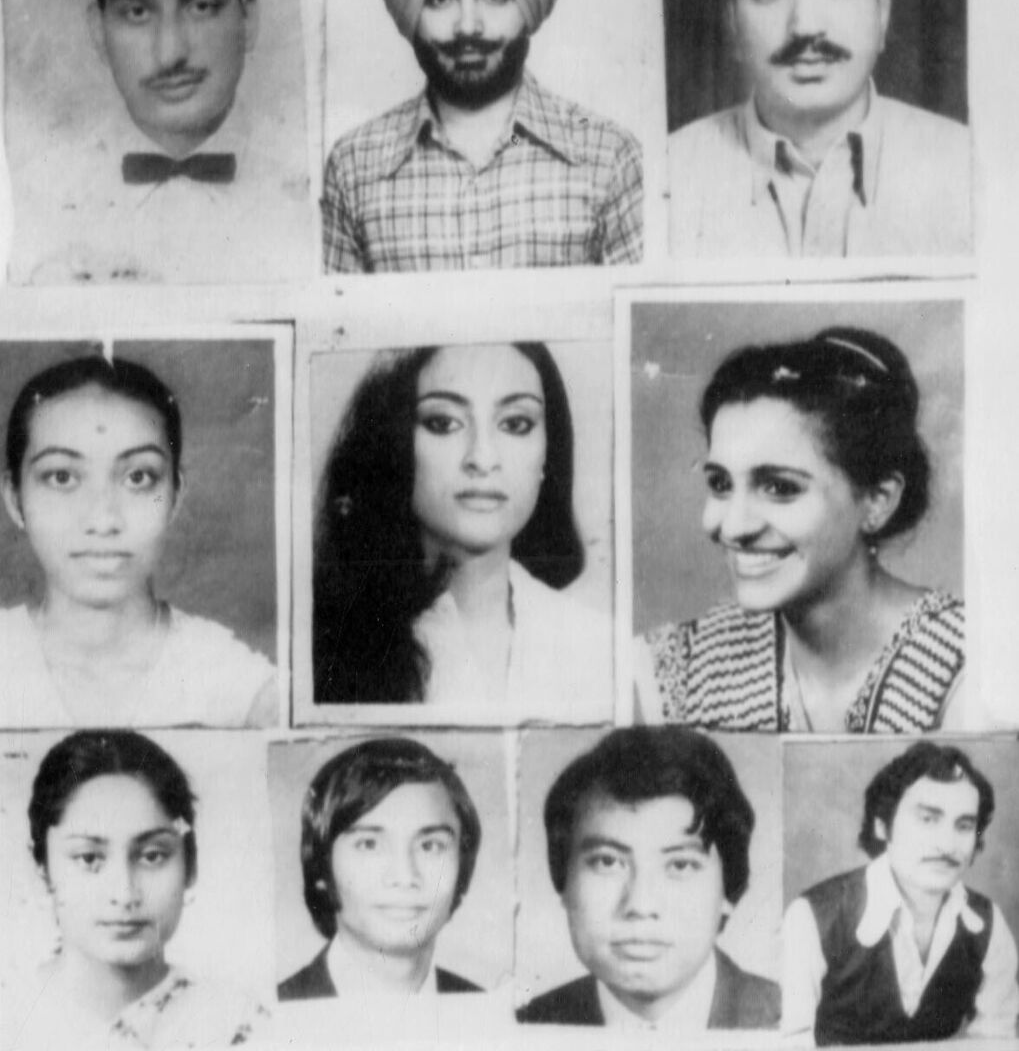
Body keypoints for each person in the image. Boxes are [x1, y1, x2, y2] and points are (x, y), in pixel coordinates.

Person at [636, 326, 965, 732]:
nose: (732, 527)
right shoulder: (675, 670)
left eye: (779, 488)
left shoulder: (967, 665)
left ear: (878, 501)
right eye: (721, 484)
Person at [322, 0, 643, 271]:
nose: (468, 26)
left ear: (530, 5)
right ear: (411, 10)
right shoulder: (354, 166)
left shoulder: (609, 158)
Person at [667, 0, 969, 258]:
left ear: (882, 10)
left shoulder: (968, 169)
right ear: (732, 24)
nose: (805, 25)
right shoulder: (665, 177)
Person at [12, 0, 312, 284]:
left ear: (248, 19)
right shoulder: (39, 203)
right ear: (99, 33)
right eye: (137, 12)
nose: (170, 53)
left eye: (201, 6)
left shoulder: (309, 186)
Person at [312, 342, 612, 721]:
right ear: (394, 445)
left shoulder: (601, 647)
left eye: (516, 424)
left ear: (546, 456)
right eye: (444, 423)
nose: (483, 459)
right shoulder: (329, 644)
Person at [0, 355, 277, 728]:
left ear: (175, 496)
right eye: (62, 477)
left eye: (139, 477)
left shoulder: (238, 685)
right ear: (15, 499)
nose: (103, 520)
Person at [6, 729, 269, 1048]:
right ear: (43, 870)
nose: (125, 893)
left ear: (190, 866)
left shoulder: (241, 1026)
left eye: (152, 856)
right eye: (89, 858)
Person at [517, 727, 779, 1030]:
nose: (640, 905)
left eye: (680, 865)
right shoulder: (524, 1027)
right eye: (607, 861)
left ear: (727, 892)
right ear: (564, 884)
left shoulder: (794, 1022)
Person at [783, 742, 1019, 1044]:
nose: (947, 844)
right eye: (927, 819)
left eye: (963, 825)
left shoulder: (988, 925)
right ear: (882, 826)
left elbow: (995, 1040)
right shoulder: (813, 919)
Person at [278, 737, 483, 999]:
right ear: (321, 865)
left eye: (430, 846)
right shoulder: (267, 1019)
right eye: (369, 844)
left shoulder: (490, 1013)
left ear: (463, 866)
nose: (405, 877)